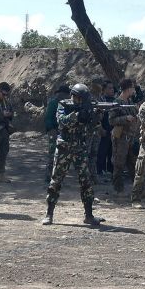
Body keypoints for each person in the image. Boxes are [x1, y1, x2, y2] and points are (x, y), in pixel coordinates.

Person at [41, 83, 103, 226]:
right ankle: (49, 214)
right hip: (64, 148)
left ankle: (89, 215)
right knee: (56, 181)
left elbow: (92, 127)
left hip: (79, 148)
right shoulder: (63, 105)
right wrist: (77, 114)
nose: (82, 101)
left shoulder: (86, 107)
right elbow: (62, 122)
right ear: (75, 97)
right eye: (81, 99)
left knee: (86, 182)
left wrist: (96, 116)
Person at [108, 78, 138, 193]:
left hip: (130, 137)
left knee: (133, 164)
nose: (133, 90)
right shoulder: (117, 102)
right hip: (120, 138)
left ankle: (138, 190)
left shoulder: (129, 102)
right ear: (128, 89)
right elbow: (111, 120)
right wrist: (125, 118)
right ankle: (118, 190)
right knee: (118, 164)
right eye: (132, 88)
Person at [44, 85, 70, 184]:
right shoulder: (53, 103)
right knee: (52, 155)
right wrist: (51, 130)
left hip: (63, 132)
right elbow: (48, 118)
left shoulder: (67, 104)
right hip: (54, 131)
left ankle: (58, 177)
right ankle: (48, 177)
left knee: (62, 156)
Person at [96, 80, 115, 174]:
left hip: (113, 130)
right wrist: (100, 128)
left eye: (112, 88)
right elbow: (97, 117)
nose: (112, 90)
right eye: (109, 88)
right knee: (101, 152)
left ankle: (110, 170)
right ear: (104, 90)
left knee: (112, 151)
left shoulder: (115, 100)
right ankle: (100, 170)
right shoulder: (100, 100)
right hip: (102, 130)